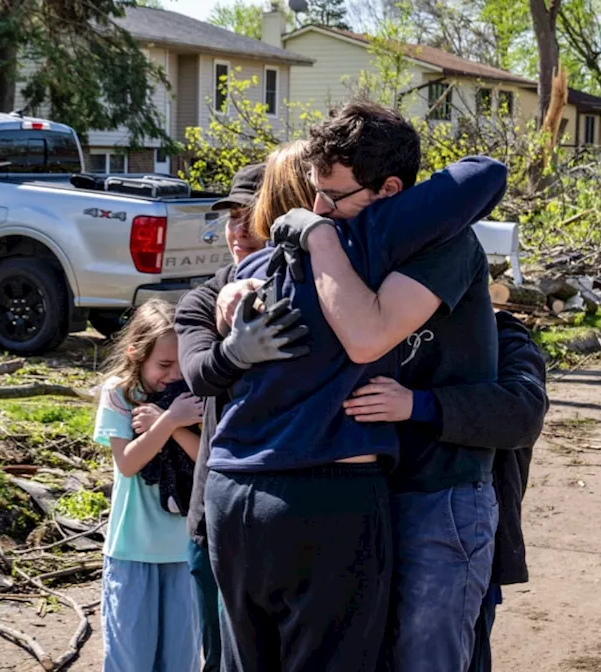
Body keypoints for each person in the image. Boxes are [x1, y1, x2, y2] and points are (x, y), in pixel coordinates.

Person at [207, 112, 507, 670]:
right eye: (312, 196)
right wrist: (235, 285)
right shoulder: (337, 239)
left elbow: (367, 336)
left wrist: (418, 405)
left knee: (422, 659)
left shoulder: (433, 242)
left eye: (334, 197)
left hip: (435, 492)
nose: (317, 209)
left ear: (390, 190)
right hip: (362, 488)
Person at [341, 310, 548, 671]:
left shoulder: (502, 333)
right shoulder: (374, 330)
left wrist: (420, 405)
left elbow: (522, 411)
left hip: (455, 537)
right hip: (371, 531)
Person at [175, 159, 311, 672]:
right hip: (218, 521)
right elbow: (199, 375)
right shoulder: (203, 298)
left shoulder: (323, 288)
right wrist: (237, 351)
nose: (235, 229)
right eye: (229, 216)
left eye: (247, 214)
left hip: (308, 510)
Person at [93, 300, 205, 672]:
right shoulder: (119, 394)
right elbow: (127, 463)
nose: (172, 375)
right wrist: (171, 421)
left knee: (180, 661)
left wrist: (173, 423)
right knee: (132, 660)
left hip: (182, 552)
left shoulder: (195, 397)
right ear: (135, 354)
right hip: (131, 551)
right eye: (163, 365)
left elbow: (206, 461)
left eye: (180, 364)